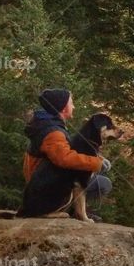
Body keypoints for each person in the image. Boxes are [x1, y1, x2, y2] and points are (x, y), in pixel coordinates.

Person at [23, 88, 112, 221]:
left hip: (49, 176)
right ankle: (52, 211)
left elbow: (67, 150)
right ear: (63, 108)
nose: (74, 106)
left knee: (94, 177)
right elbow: (65, 158)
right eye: (71, 103)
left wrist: (98, 159)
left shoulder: (51, 124)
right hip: (45, 183)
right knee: (102, 184)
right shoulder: (53, 132)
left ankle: (73, 210)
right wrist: (96, 163)